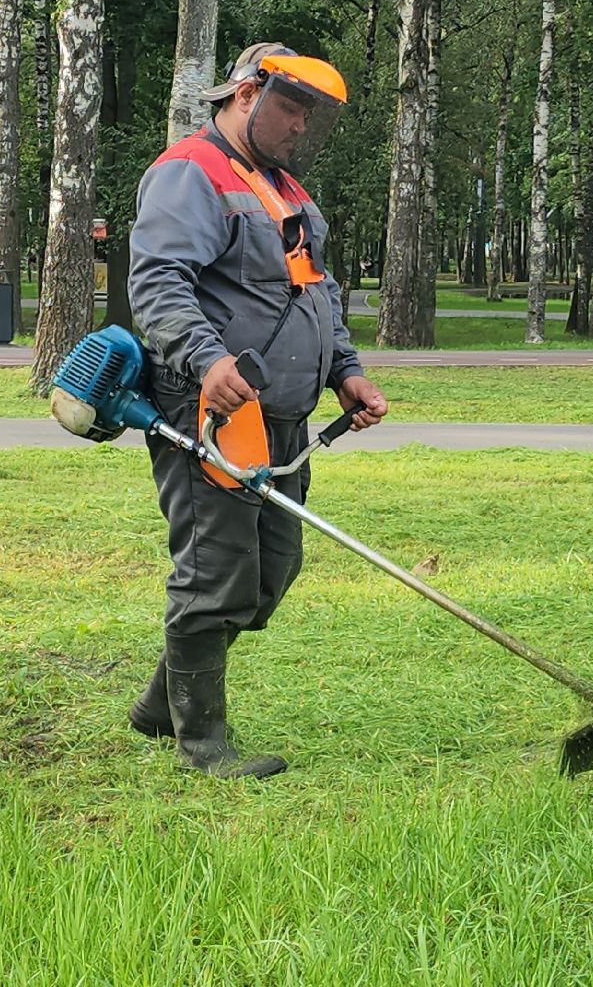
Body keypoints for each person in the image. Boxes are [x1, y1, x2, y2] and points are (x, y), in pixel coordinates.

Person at [125, 42, 388, 779]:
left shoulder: (287, 191)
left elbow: (317, 292)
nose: (301, 127)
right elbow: (161, 283)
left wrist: (347, 370)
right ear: (245, 94)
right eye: (291, 109)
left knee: (273, 568)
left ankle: (159, 707)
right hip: (209, 408)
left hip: (282, 416)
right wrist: (208, 362)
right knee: (216, 571)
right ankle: (201, 745)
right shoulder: (191, 173)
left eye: (311, 115)